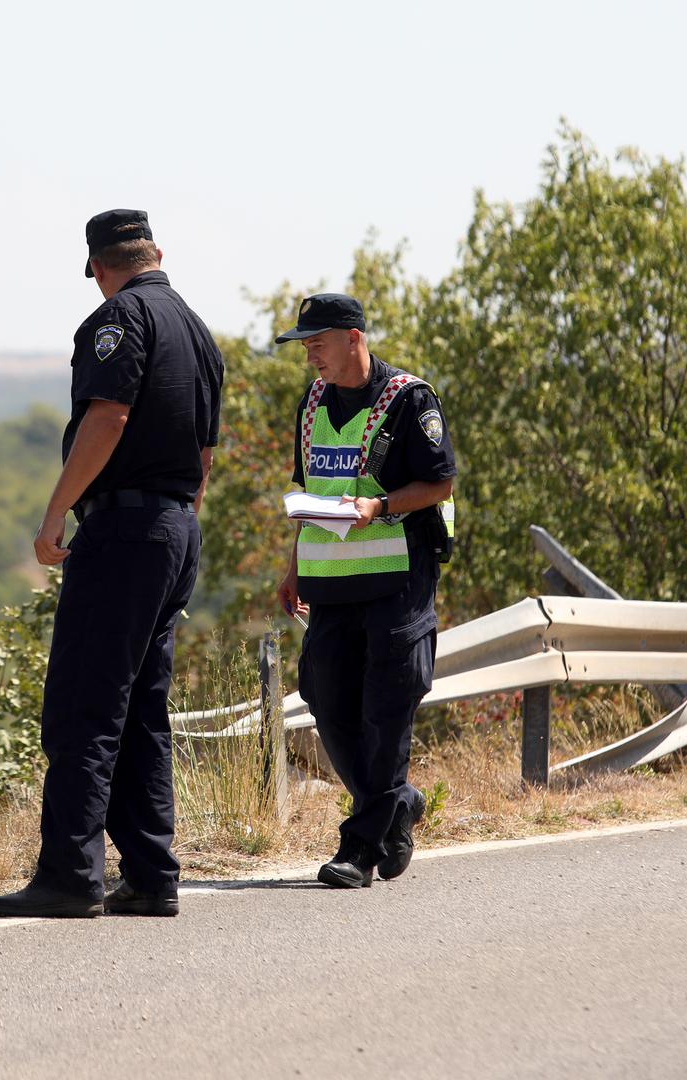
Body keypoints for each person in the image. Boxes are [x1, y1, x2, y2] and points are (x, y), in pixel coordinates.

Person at [0, 209, 224, 919]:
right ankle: (150, 875)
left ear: (96, 267)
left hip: (125, 529)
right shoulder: (196, 328)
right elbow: (205, 454)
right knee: (142, 710)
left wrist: (57, 510)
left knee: (84, 707)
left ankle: (69, 874)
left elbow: (108, 416)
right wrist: (176, 525)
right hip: (175, 524)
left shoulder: (120, 318)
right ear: (157, 253)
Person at [273, 293, 456, 889]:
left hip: (398, 578)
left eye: (317, 344)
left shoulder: (409, 400)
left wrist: (379, 507)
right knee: (324, 696)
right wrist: (294, 565)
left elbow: (439, 484)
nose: (310, 358)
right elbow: (309, 489)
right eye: (304, 347)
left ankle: (359, 846)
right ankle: (398, 803)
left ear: (353, 337)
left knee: (386, 706)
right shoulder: (314, 403)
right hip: (330, 581)